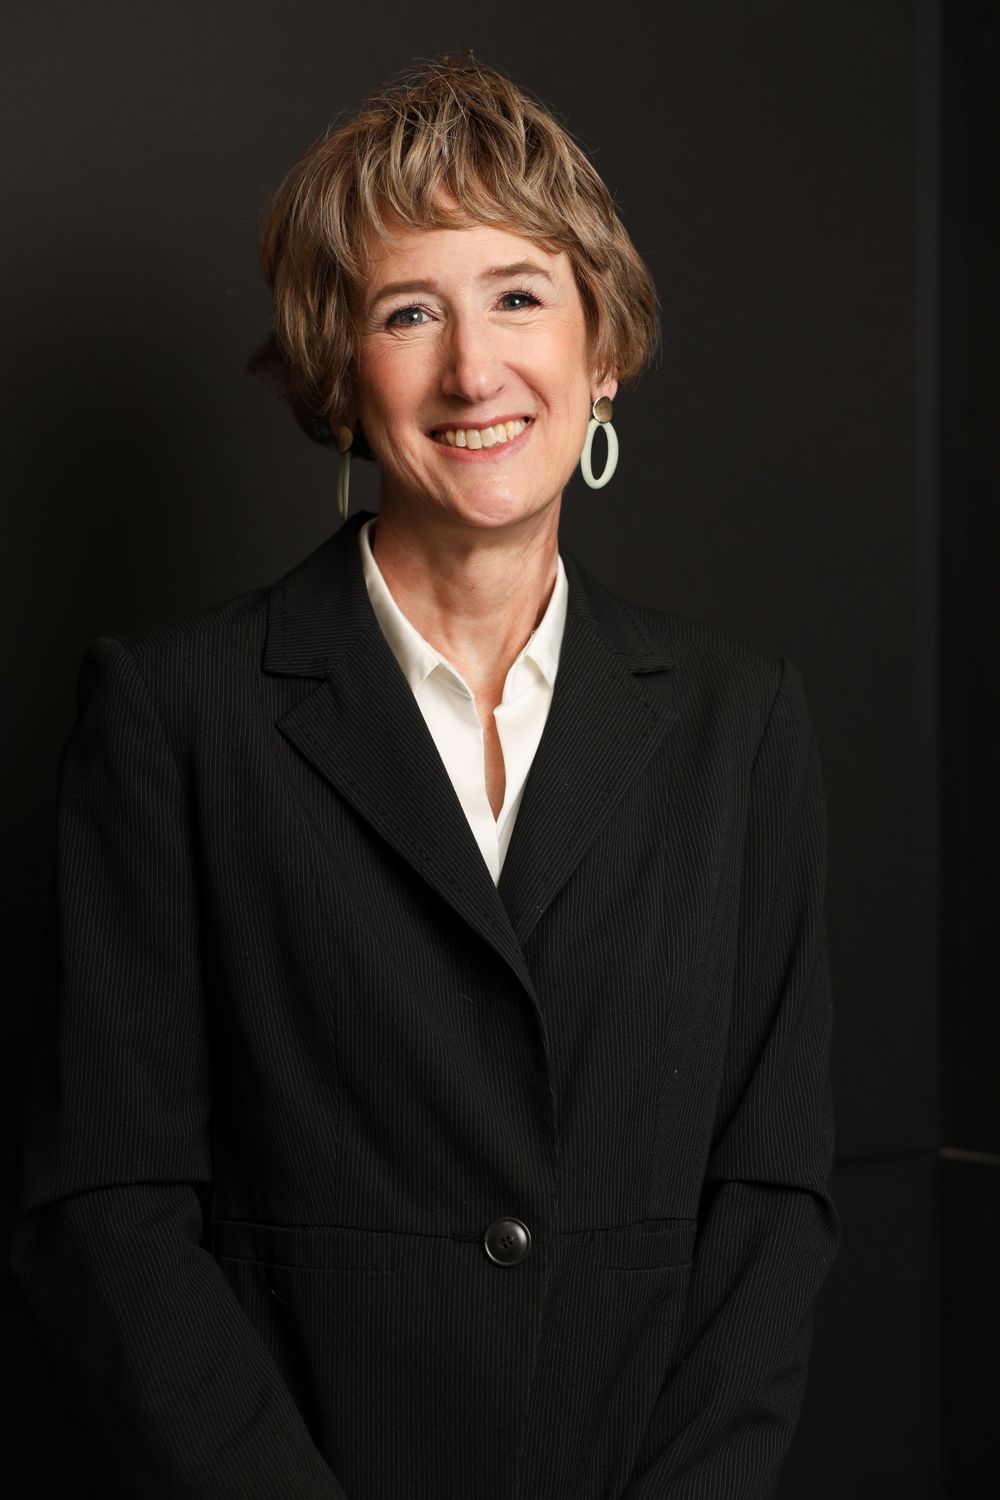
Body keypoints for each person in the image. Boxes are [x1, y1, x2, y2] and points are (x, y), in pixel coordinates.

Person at [10, 53, 840, 1500]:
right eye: (410, 312)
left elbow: (770, 1197)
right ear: (344, 377)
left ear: (604, 352)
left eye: (519, 294)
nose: (472, 369)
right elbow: (112, 1209)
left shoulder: (738, 720)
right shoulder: (175, 715)